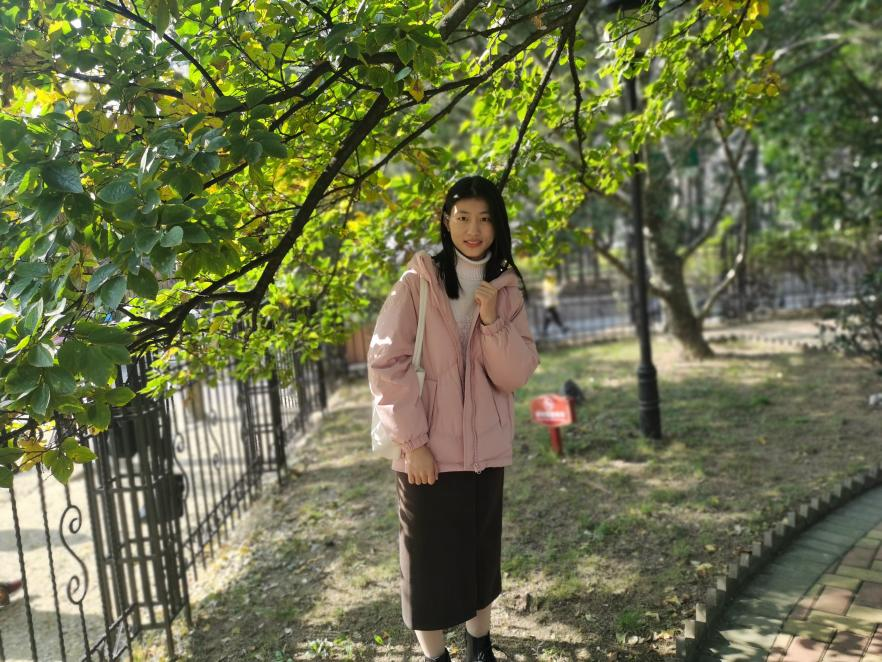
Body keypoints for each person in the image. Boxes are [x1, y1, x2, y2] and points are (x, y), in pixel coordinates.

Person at [367, 175, 539, 662]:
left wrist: (492, 321)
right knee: (427, 564)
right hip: (427, 455)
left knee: (479, 557)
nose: (473, 229)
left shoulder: (506, 289)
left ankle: (480, 647)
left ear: (497, 225)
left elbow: (514, 374)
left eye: (484, 219)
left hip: (485, 451)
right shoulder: (417, 284)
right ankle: (436, 656)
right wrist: (414, 443)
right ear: (446, 221)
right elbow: (386, 363)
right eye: (463, 217)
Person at [541, 270, 569, 337]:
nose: (554, 277)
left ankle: (562, 328)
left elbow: (554, 290)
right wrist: (562, 285)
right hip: (549, 304)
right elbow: (555, 291)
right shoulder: (547, 283)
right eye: (552, 276)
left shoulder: (549, 282)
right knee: (552, 317)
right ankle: (562, 328)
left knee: (551, 317)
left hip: (551, 303)